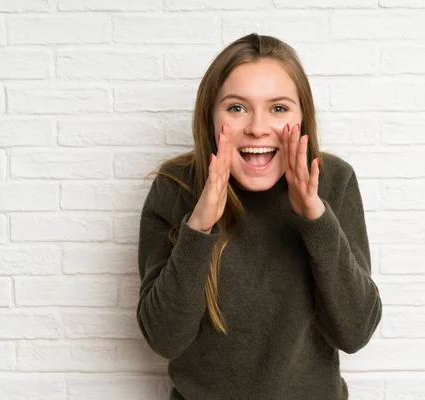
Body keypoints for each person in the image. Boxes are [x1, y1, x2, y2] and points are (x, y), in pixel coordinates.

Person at [137, 33, 382, 400]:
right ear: (211, 116)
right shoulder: (175, 187)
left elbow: (354, 332)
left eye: (278, 108)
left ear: (302, 119)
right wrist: (199, 225)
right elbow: (164, 338)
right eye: (237, 108)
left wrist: (316, 218)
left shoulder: (333, 182)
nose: (257, 126)